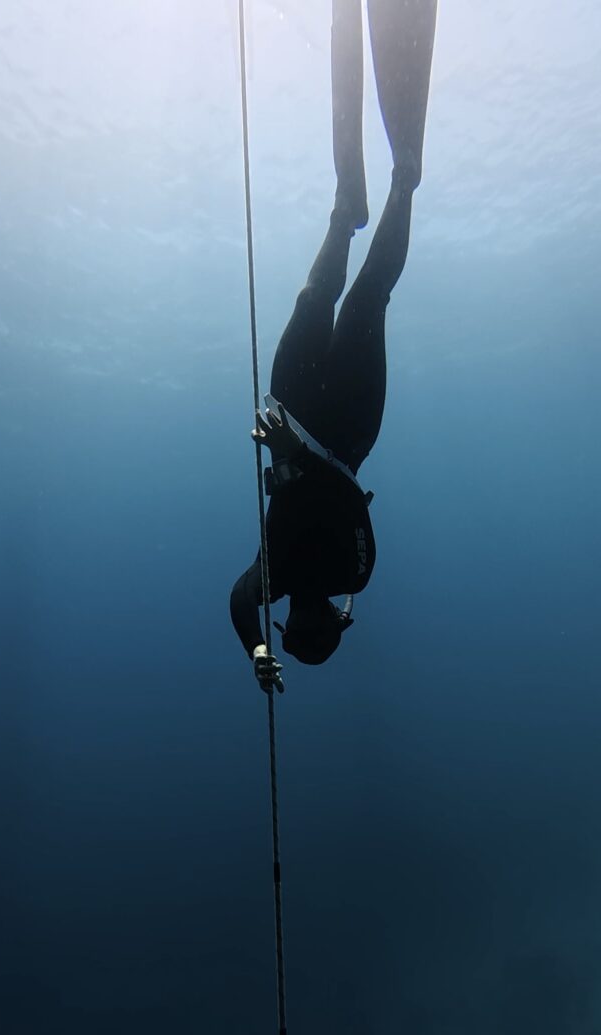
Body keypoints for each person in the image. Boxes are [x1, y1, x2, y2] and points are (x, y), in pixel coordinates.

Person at [230, 0, 438, 694]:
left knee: (330, 301)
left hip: (314, 414)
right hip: (337, 425)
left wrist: (258, 647)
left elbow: (239, 604)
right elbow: (342, 503)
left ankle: (357, 204)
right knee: (351, 301)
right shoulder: (344, 571)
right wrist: (257, 646)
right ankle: (390, 188)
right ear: (306, 626)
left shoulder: (302, 580)